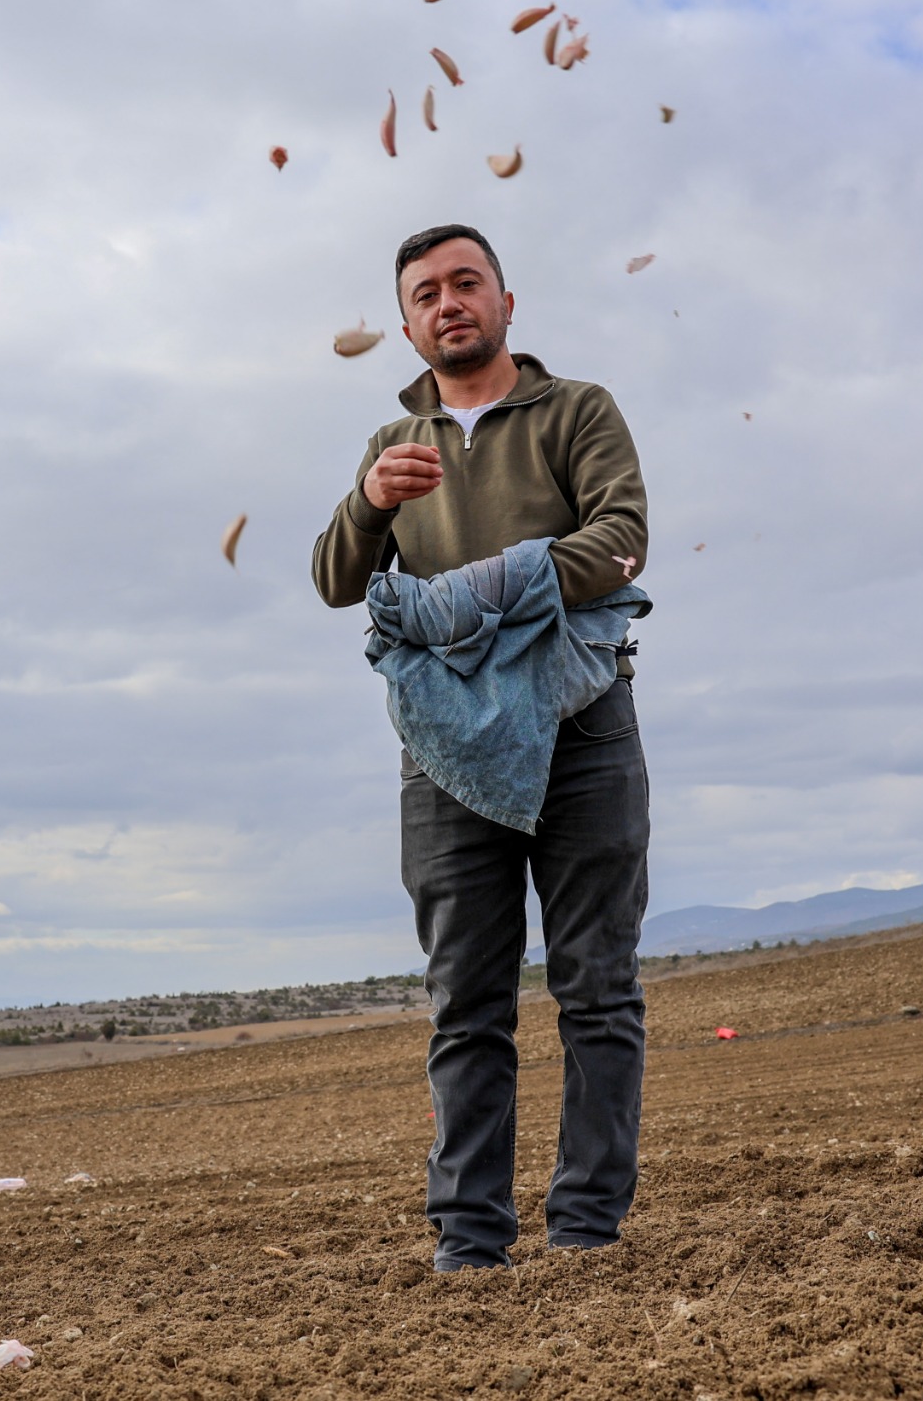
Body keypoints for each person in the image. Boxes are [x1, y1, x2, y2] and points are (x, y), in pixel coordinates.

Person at [312, 222, 652, 1271]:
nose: (447, 302)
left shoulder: (576, 410)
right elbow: (333, 578)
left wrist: (462, 600)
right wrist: (371, 508)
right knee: (466, 997)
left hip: (581, 722)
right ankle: (470, 1239)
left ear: (507, 302)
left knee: (594, 982)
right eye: (425, 293)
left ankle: (587, 1228)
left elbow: (620, 537)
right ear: (409, 326)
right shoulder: (388, 450)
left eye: (467, 283)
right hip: (445, 746)